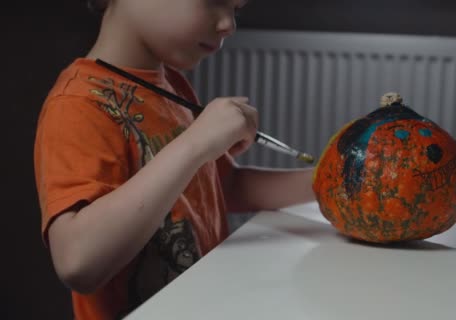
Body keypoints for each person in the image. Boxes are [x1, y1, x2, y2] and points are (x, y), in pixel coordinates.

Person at [33, 0, 315, 318]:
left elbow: (225, 185)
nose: (229, 25)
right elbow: (78, 262)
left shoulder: (172, 86)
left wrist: (326, 181)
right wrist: (195, 143)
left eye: (235, 9)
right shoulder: (78, 104)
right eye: (213, 2)